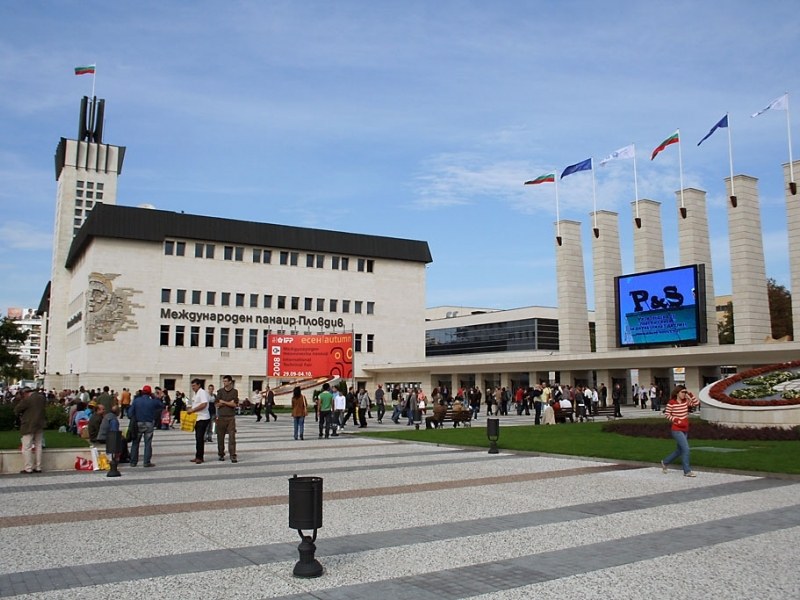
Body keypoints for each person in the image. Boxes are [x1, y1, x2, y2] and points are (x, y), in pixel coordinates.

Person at [661, 386, 701, 477]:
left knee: (680, 450)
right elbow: (667, 414)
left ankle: (665, 462)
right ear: (677, 393)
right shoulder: (672, 402)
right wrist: (676, 420)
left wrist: (690, 394)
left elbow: (696, 403)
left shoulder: (685, 401)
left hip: (685, 428)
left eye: (685, 392)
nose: (684, 394)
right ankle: (687, 471)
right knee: (686, 449)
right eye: (683, 392)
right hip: (676, 429)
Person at [128, 385, 162, 468]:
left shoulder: (136, 401)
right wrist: (157, 397)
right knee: (148, 443)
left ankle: (133, 462)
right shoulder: (153, 401)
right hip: (149, 423)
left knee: (135, 443)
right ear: (150, 393)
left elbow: (130, 413)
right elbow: (161, 406)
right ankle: (146, 462)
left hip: (138, 423)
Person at [14, 387, 46, 474]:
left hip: (28, 425)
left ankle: (28, 468)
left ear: (24, 393)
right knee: (38, 446)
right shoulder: (41, 397)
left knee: (26, 447)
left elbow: (17, 409)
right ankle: (38, 467)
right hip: (40, 424)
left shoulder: (27, 399)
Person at [186, 379, 211, 464]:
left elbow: (204, 404)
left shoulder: (202, 392)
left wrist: (193, 410)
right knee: (197, 438)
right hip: (197, 418)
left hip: (203, 418)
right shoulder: (196, 394)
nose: (193, 387)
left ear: (199, 385)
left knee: (200, 438)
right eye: (192, 386)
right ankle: (197, 455)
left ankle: (200, 457)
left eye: (194, 386)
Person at [215, 375, 239, 463]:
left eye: (226, 381)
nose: (224, 383)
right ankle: (221, 454)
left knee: (232, 437)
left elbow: (234, 404)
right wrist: (229, 403)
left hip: (230, 418)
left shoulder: (234, 392)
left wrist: (223, 402)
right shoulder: (220, 391)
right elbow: (217, 404)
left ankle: (233, 455)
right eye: (223, 381)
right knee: (220, 437)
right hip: (221, 417)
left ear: (230, 382)